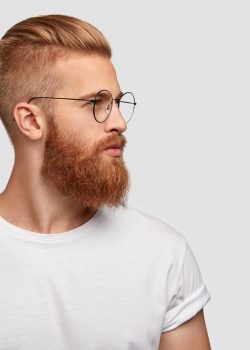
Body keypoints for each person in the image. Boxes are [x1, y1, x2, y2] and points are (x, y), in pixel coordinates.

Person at [0, 14, 212, 349]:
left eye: (116, 102)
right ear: (30, 120)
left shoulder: (162, 254)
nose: (119, 122)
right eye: (95, 103)